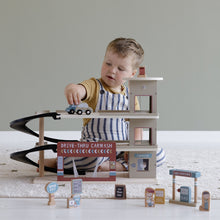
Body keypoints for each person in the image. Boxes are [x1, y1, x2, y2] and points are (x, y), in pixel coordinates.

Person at [63, 37, 165, 173]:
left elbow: (137, 126)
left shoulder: (130, 95)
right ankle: (60, 162)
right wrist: (73, 89)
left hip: (122, 149)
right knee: (93, 156)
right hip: (97, 147)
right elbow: (81, 89)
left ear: (132, 74)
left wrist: (134, 148)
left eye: (121, 68)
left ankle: (118, 165)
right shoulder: (95, 86)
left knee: (158, 154)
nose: (112, 71)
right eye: (108, 63)